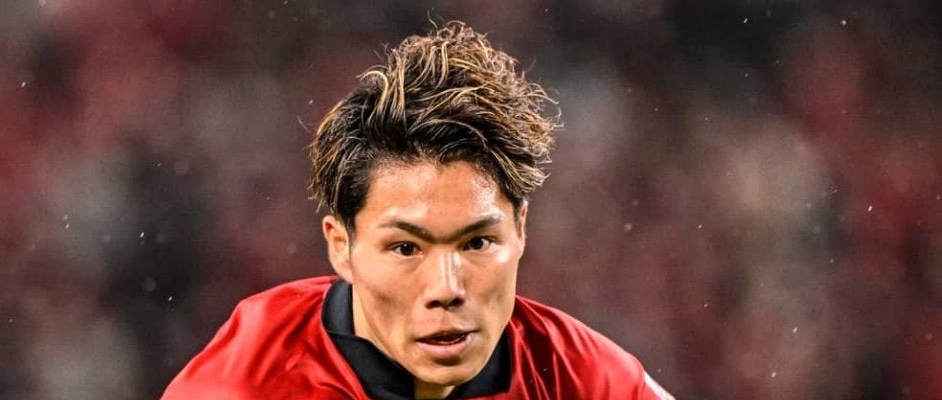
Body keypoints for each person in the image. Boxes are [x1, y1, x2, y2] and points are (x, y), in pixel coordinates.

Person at [162, 21, 673, 399]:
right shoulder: (245, 387)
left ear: (520, 230)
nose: (447, 289)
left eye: (477, 242)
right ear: (342, 247)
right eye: (406, 247)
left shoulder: (582, 379)